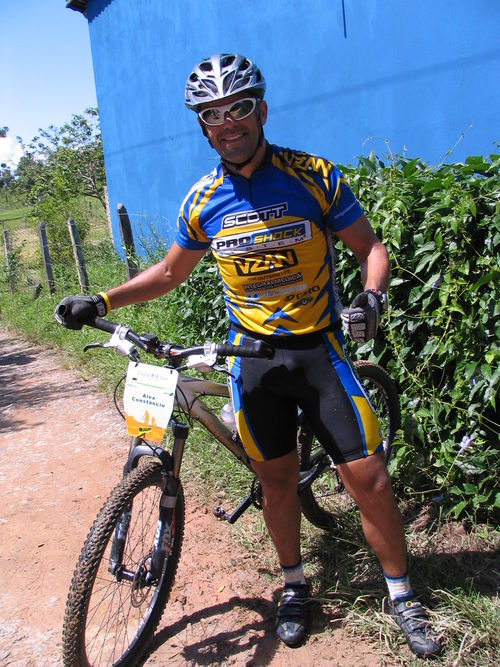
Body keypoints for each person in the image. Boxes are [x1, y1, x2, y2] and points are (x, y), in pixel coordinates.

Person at [55, 53, 440, 656]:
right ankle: (293, 587)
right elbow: (166, 273)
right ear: (202, 126)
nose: (227, 122)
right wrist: (100, 297)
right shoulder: (204, 199)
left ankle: (402, 595)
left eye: (238, 108)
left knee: (369, 479)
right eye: (212, 114)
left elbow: (372, 249)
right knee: (276, 482)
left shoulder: (313, 176)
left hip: (318, 353)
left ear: (260, 109)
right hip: (252, 362)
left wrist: (370, 298)